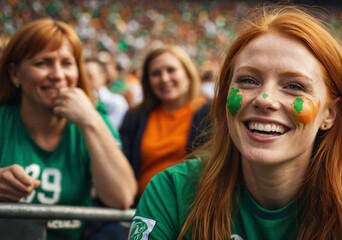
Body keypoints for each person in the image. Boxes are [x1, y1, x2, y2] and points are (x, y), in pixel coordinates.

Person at [128, 5, 342, 240]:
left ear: (330, 114)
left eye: (294, 86)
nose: (264, 99)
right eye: (247, 80)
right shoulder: (172, 192)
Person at [0, 19, 137, 240]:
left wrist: (91, 122)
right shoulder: (3, 120)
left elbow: (121, 197)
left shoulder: (93, 118)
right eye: (42, 63)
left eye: (66, 63)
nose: (58, 75)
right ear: (15, 74)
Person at [119, 45, 207, 202]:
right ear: (148, 81)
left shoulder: (209, 113)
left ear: (187, 73)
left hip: (189, 207)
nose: (164, 79)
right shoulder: (135, 117)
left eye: (171, 70)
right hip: (142, 207)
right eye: (156, 73)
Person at [85, 58, 129, 130]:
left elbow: (109, 131)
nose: (84, 80)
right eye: (81, 76)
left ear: (103, 77)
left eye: (89, 76)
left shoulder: (116, 103)